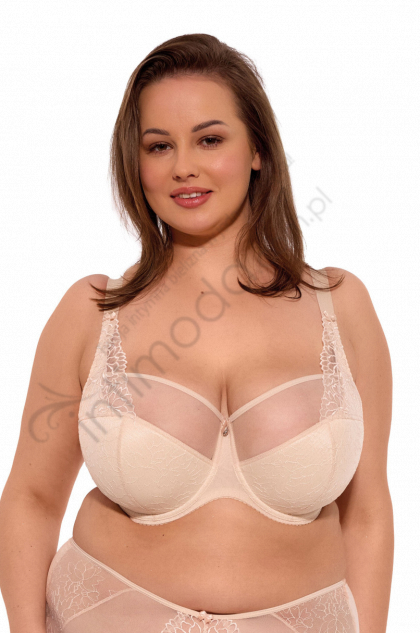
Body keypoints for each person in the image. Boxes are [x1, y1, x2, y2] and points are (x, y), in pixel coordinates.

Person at [0, 34, 393, 633]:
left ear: (257, 149)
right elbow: (31, 498)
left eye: (209, 139)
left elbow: (367, 514)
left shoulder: (341, 307)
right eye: (159, 145)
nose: (183, 166)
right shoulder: (93, 312)